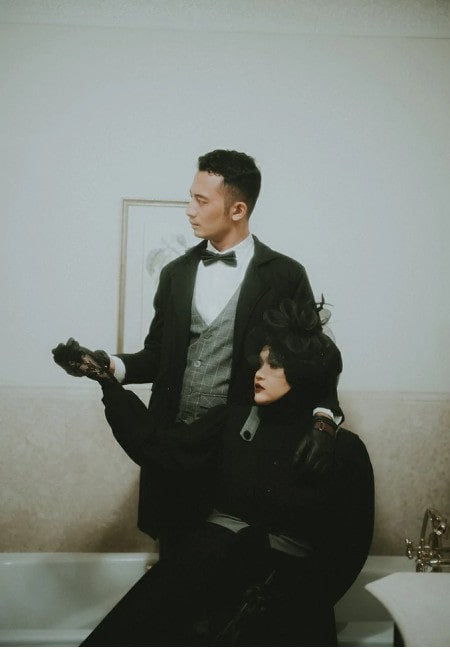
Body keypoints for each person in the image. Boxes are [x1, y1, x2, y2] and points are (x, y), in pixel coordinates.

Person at [52, 149, 343, 551]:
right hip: (173, 450)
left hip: (244, 454)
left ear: (238, 209)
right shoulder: (175, 274)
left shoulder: (286, 276)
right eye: (191, 197)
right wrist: (105, 365)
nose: (189, 210)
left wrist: (324, 422)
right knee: (175, 565)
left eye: (201, 201)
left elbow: (315, 361)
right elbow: (157, 356)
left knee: (236, 565)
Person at [59, 299, 374, 647]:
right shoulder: (232, 421)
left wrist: (299, 598)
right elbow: (162, 449)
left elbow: (348, 549)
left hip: (288, 593)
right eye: (260, 362)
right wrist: (107, 382)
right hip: (207, 565)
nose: (259, 373)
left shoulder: (344, 450)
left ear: (303, 372)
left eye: (274, 365)